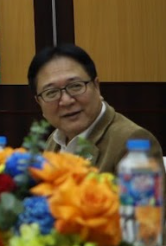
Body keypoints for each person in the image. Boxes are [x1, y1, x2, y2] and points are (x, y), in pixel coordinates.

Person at [28, 42, 162, 174]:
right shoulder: (55, 139)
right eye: (51, 93)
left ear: (96, 87)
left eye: (75, 86)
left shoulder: (132, 140)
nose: (66, 101)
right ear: (39, 102)